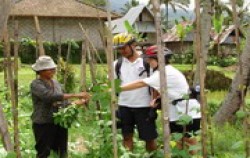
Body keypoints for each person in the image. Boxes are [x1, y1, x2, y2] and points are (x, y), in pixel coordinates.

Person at [120, 45, 201, 153]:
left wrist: (118, 88)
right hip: (177, 111)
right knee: (180, 143)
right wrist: (158, 100)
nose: (148, 62)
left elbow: (141, 83)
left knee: (188, 143)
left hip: (186, 111)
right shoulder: (164, 71)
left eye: (150, 59)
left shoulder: (164, 72)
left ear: (159, 59)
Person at [30, 55, 90, 158]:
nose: (53, 70)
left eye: (53, 68)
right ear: (41, 71)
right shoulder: (36, 84)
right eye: (50, 69)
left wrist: (77, 103)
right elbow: (49, 97)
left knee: (61, 152)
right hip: (44, 123)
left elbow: (62, 103)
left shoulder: (56, 83)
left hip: (59, 122)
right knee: (44, 152)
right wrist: (75, 95)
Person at [113, 33, 158, 152]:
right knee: (127, 137)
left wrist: (154, 103)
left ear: (133, 45)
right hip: (124, 105)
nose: (122, 51)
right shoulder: (117, 64)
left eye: (124, 48)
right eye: (119, 49)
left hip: (144, 106)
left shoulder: (146, 63)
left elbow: (155, 84)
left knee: (149, 138)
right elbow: (112, 84)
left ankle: (153, 155)